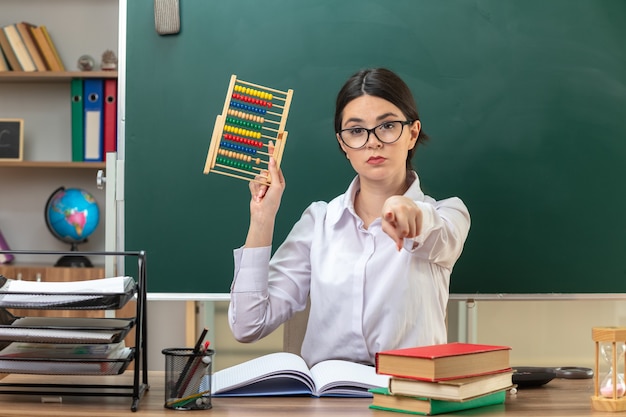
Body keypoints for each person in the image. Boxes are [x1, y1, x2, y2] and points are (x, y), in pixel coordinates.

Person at [228, 68, 470, 368]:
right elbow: (248, 325)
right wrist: (262, 218)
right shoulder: (318, 223)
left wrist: (407, 210)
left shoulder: (449, 214)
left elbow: (435, 234)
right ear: (343, 144)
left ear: (412, 133)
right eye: (356, 131)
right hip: (328, 401)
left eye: (388, 126)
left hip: (407, 401)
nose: (372, 142)